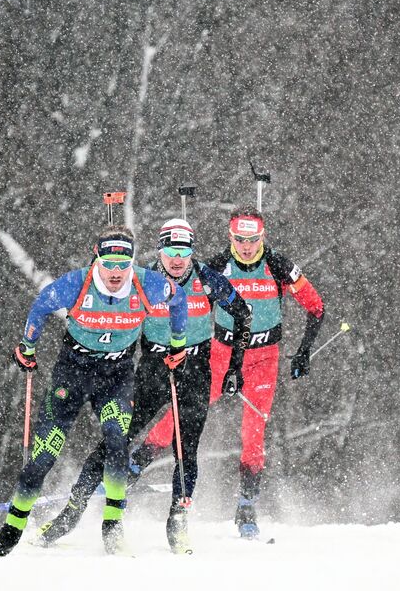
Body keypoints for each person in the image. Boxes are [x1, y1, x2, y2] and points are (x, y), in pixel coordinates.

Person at [36, 217, 251, 554]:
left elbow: (243, 313)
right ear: (160, 250)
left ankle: (178, 520)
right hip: (152, 368)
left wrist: (234, 367)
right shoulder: (142, 281)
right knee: (115, 440)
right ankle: (72, 510)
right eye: (170, 250)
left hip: (194, 370)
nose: (177, 259)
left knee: (186, 450)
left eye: (184, 251)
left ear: (192, 252)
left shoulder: (207, 280)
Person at [0, 226, 187, 557]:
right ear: (97, 258)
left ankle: (113, 526)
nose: (116, 272)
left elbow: (180, 300)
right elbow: (41, 305)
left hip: (116, 375)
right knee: (44, 454)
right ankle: (11, 530)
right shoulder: (77, 283)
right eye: (109, 263)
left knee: (117, 443)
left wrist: (178, 344)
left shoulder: (148, 283)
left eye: (124, 264)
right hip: (74, 372)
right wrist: (27, 347)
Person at [140, 208, 325, 538]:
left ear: (262, 237)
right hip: (220, 354)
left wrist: (304, 351)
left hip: (265, 358)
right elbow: (184, 299)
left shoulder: (279, 266)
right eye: (240, 240)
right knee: (182, 414)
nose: (247, 247)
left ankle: (246, 506)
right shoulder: (215, 266)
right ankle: (134, 466)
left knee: (254, 432)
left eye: (253, 240)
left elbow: (316, 307)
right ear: (231, 237)